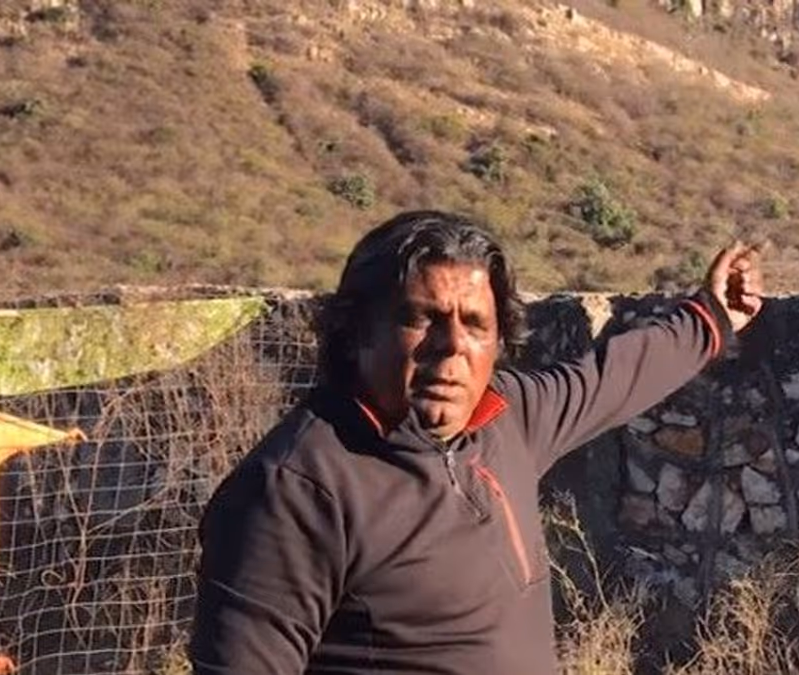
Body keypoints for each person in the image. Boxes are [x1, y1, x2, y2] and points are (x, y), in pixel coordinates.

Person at [189, 210, 764, 674]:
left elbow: (612, 377)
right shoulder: (296, 491)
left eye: (475, 324)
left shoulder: (507, 420)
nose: (452, 346)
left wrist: (711, 317)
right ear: (357, 330)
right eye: (422, 318)